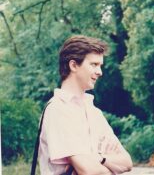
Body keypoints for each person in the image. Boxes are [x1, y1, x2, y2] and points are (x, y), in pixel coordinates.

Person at [38, 35, 133, 175]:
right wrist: (108, 164)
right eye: (94, 65)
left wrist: (99, 158)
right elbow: (89, 171)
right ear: (74, 65)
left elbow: (127, 162)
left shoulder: (95, 113)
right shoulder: (57, 110)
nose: (100, 72)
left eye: (100, 66)